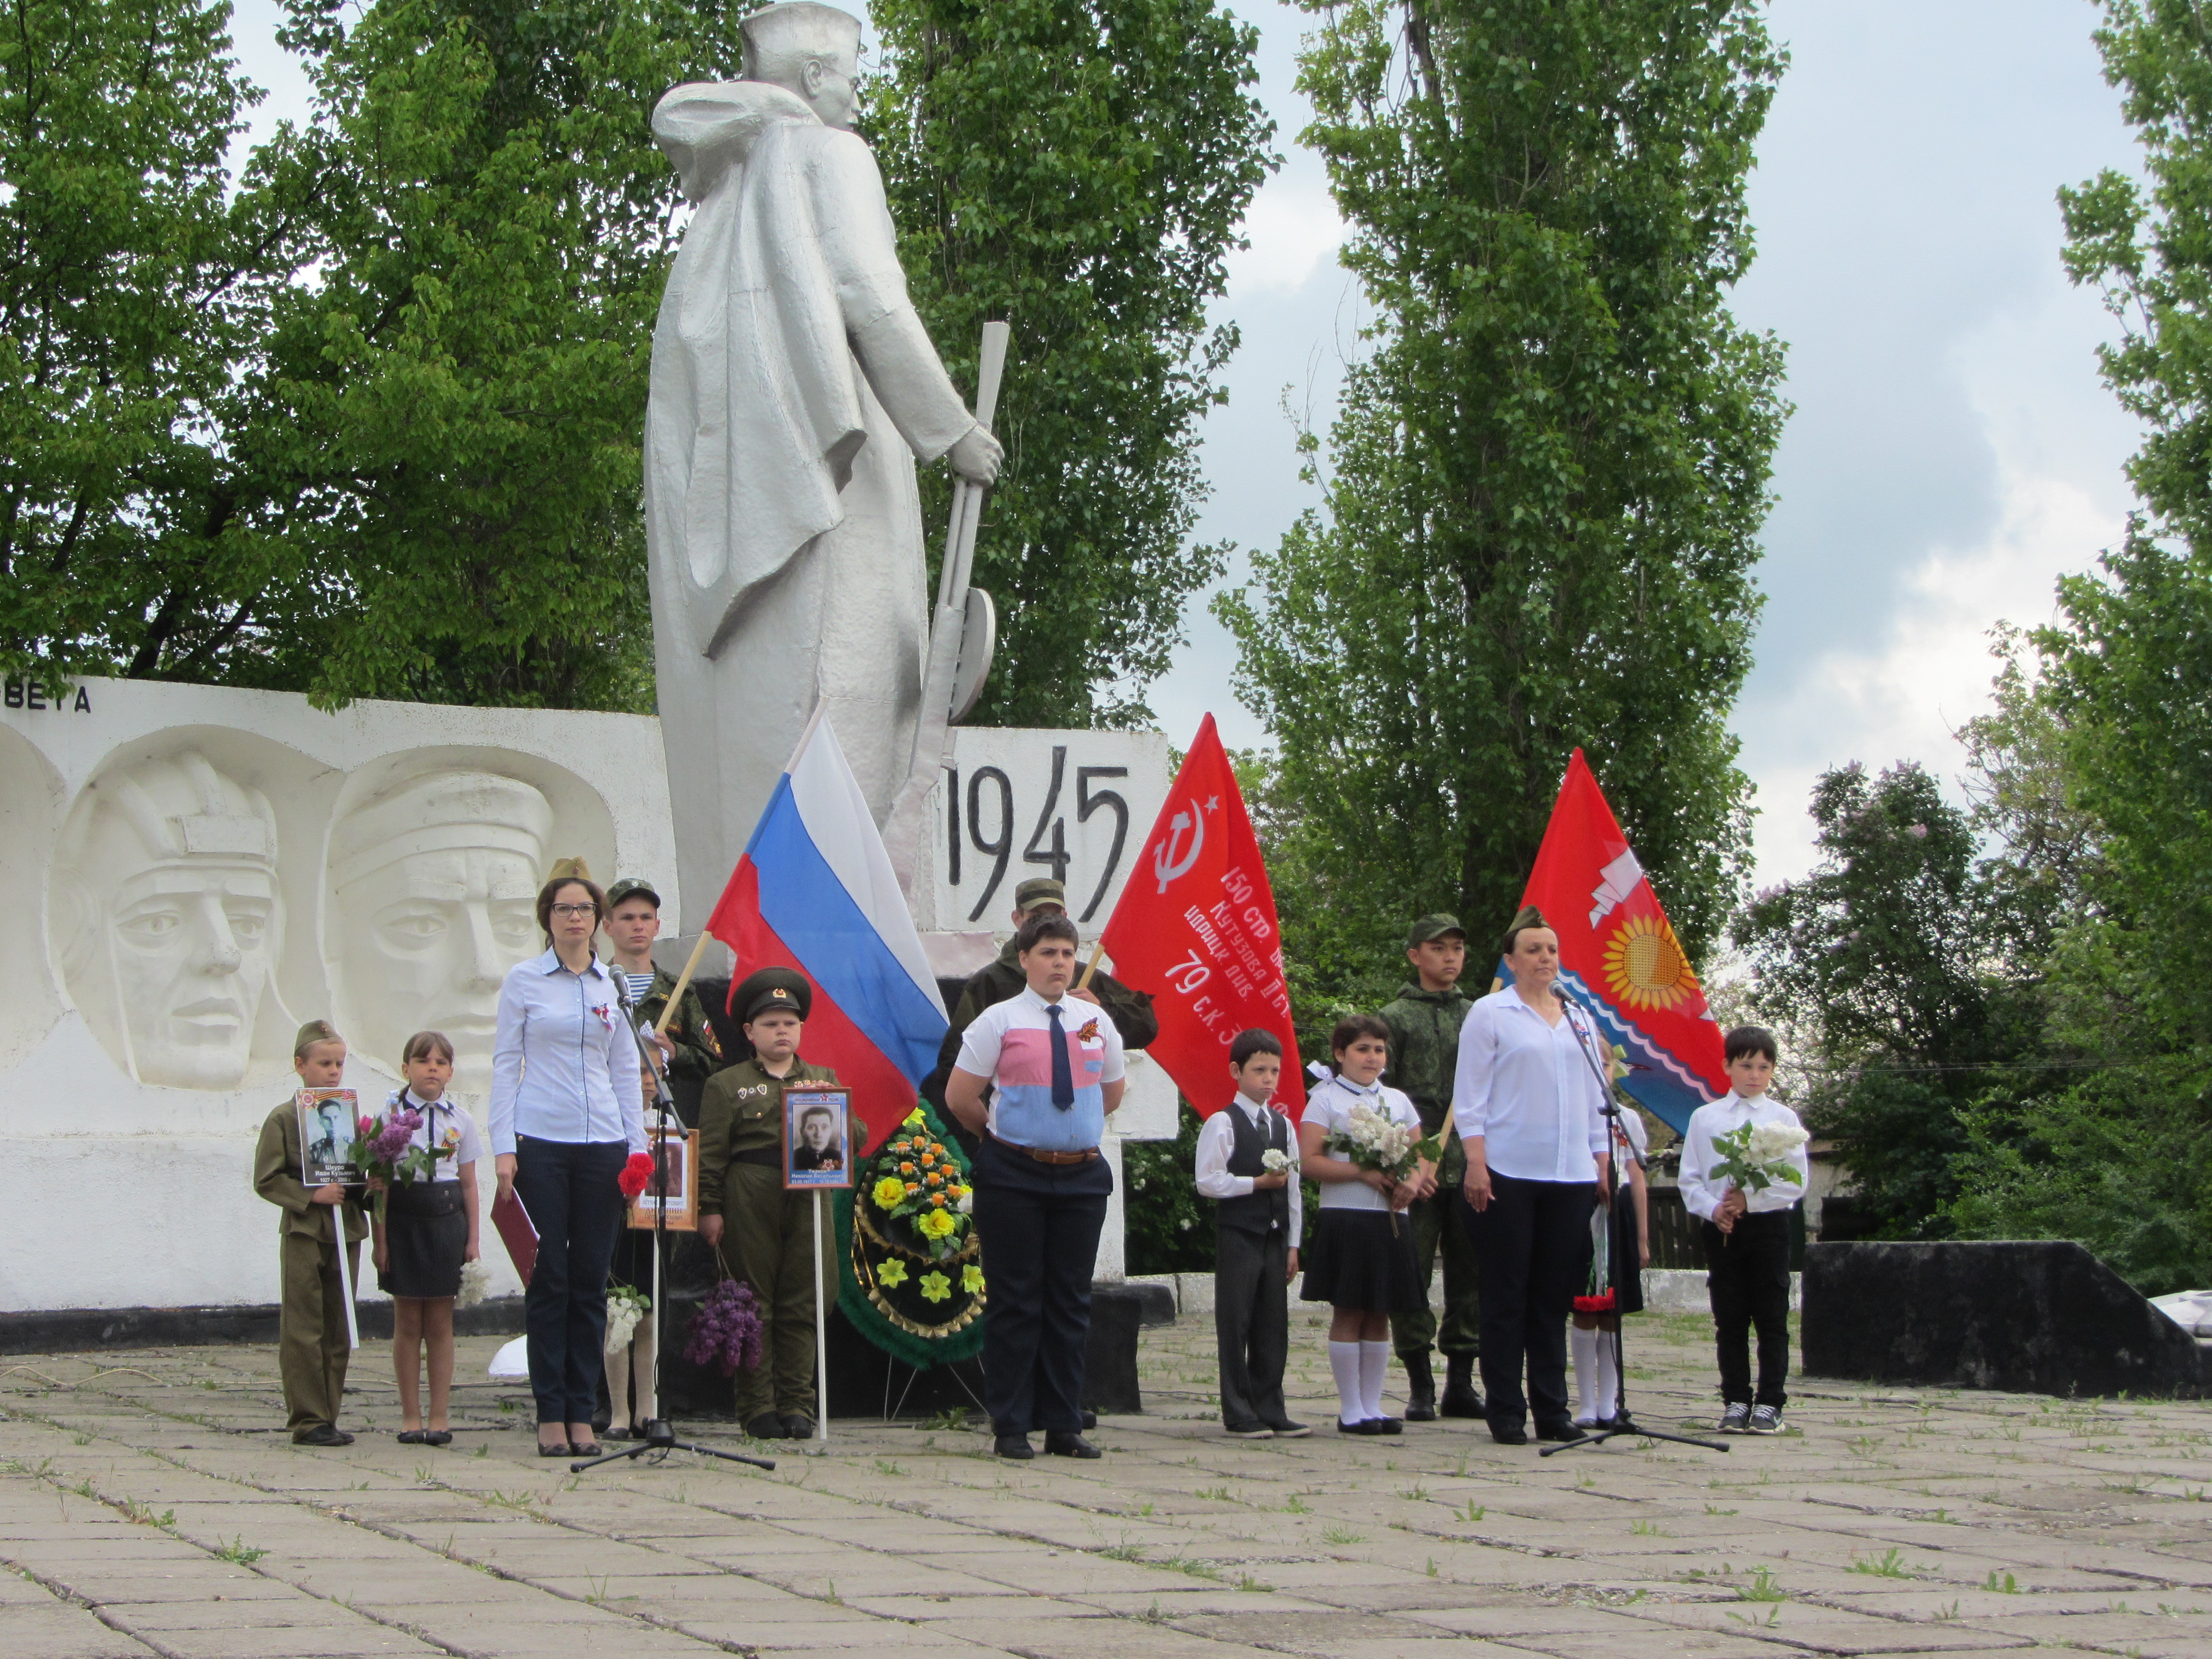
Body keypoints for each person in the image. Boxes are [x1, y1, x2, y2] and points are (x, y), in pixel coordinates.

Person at [643, 0, 1006, 921]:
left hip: (743, 484)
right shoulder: (830, 155)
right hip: (839, 472)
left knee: (758, 734)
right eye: (849, 73)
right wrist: (951, 429)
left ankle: (745, 945)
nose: (857, 89)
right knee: (846, 714)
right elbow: (867, 295)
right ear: (813, 79)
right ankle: (823, 954)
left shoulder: (726, 194)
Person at [943, 912, 1126, 1461]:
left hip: (1080, 1175)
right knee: (1017, 1300)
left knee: (1069, 1302)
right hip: (1015, 1176)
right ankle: (1011, 1424)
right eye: (1048, 953)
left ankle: (1063, 1422)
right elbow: (960, 1097)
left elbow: (1111, 1093)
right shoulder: (997, 1021)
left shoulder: (1095, 1022)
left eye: (1067, 954)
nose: (1060, 964)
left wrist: (1070, 1131)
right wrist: (1005, 1139)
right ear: (1024, 959)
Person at [489, 863, 646, 1459]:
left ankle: (583, 1410)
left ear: (597, 920)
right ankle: (549, 1410)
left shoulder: (613, 984)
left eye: (583, 909)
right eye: (563, 910)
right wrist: (504, 1145)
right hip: (542, 1140)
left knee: (590, 1283)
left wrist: (637, 1152)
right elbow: (507, 1063)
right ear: (548, 919)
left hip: (602, 1142)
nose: (574, 918)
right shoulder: (526, 980)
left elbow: (625, 1071)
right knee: (550, 1277)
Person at [1451, 907, 1612, 1446]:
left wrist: (1601, 1160)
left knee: (1551, 1297)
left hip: (1568, 1173)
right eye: (1534, 950)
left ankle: (1552, 1407)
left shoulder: (1578, 1017)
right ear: (1511, 960)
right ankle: (1505, 1408)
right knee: (1507, 1293)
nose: (1545, 958)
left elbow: (1595, 1098)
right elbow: (1469, 1094)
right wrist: (1475, 1158)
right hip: (1507, 1169)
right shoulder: (1490, 1012)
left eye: (1551, 949)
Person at [599, 875, 726, 1438]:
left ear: (656, 926)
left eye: (645, 917)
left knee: (656, 1271)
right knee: (609, 1273)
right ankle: (610, 1403)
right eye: (625, 917)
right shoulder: (593, 986)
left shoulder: (678, 991)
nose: (636, 926)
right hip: (604, 1142)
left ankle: (654, 1398)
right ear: (608, 926)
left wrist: (674, 1050)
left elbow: (712, 1058)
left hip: (662, 1146)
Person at [697, 968, 839, 1441]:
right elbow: (712, 1154)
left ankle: (798, 1404)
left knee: (805, 1298)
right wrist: (710, 1208)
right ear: (749, 1032)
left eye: (790, 1023)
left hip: (809, 1193)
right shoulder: (728, 1084)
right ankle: (758, 1407)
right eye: (771, 1023)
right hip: (750, 1191)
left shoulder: (822, 1079)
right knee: (753, 1301)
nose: (783, 1031)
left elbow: (853, 1136)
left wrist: (831, 1117)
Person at [926, 877, 1157, 1128]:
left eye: (1055, 914)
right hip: (1011, 1140)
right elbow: (955, 1061)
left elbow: (1146, 1027)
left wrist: (1103, 1009)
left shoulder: (1083, 976)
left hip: (1075, 1144)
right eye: (1036, 915)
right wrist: (992, 1128)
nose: (1047, 922)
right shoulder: (991, 982)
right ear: (1017, 919)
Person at [1299, 1014, 1432, 1437]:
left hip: (1391, 1218)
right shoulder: (1325, 1100)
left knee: (1380, 1311)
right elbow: (1310, 1161)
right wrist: (1362, 1172)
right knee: (1351, 1308)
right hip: (1347, 1216)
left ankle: (1373, 1405)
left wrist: (1412, 1181)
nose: (1372, 1057)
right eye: (1362, 1049)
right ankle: (1350, 1408)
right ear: (1340, 1054)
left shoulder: (1397, 1101)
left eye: (1378, 1049)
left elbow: (1422, 1150)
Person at [1379, 913, 1483, 1422]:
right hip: (1417, 1161)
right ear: (1415, 955)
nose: (1450, 957)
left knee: (1473, 1272)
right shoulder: (1394, 1017)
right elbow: (1381, 1100)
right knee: (1410, 1272)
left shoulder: (1481, 1016)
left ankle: (1461, 1381)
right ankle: (1420, 1381)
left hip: (1473, 1162)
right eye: (1438, 948)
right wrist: (1404, 1165)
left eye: (1458, 948)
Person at [1679, 1025, 1808, 1434]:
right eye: (1746, 1065)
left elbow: (1795, 1181)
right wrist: (1715, 1208)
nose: (1754, 1075)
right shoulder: (1706, 1118)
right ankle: (1736, 1399)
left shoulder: (1782, 1119)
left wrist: (1750, 1200)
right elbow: (1691, 1179)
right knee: (1730, 1317)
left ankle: (1771, 1403)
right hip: (1723, 1229)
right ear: (1728, 1067)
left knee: (1771, 1317)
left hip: (1767, 1226)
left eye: (1763, 1067)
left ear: (1772, 1072)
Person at [252, 1021, 370, 1447]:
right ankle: (307, 1417)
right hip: (305, 1230)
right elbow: (267, 1178)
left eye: (339, 1064)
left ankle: (329, 1414)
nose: (334, 1072)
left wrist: (369, 1184)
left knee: (339, 1324)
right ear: (300, 1066)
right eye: (324, 1063)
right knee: (304, 1326)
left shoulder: (348, 1116)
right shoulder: (284, 1118)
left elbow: (355, 1171)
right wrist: (311, 1195)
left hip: (347, 1230)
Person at [370, 1031, 482, 1446]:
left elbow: (469, 1184)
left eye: (440, 1062)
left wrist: (472, 1240)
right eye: (422, 1061)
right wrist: (379, 1242)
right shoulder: (389, 1117)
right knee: (407, 1322)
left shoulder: (461, 1119)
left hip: (446, 1223)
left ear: (451, 1072)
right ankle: (410, 1415)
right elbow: (378, 1184)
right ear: (406, 1069)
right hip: (404, 1222)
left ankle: (439, 1415)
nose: (431, 1068)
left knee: (439, 1322)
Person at [1194, 1029, 1306, 1439]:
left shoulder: (1283, 1126)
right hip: (1240, 1232)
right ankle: (1238, 1409)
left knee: (1272, 1322)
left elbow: (1294, 1187)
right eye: (1259, 1070)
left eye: (1275, 1071)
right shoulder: (1223, 1122)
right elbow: (1208, 1180)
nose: (1269, 1079)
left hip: (1275, 1236)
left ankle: (1270, 1405)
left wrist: (1294, 1242)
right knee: (1236, 1320)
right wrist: (1254, 1184)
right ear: (1237, 1072)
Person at [1571, 1097, 1650, 1428]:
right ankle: (1586, 1403)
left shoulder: (1626, 1118)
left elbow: (1636, 1177)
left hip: (1617, 1214)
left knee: (1612, 1312)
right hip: (1581, 1209)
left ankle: (1609, 1403)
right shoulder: (1575, 1110)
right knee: (1585, 1306)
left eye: (1605, 1065)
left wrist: (1642, 1238)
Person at [791, 1104, 843, 1172]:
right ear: (802, 1131)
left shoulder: (839, 1157)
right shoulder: (793, 1158)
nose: (818, 1134)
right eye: (811, 1127)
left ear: (831, 1131)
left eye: (825, 1127)